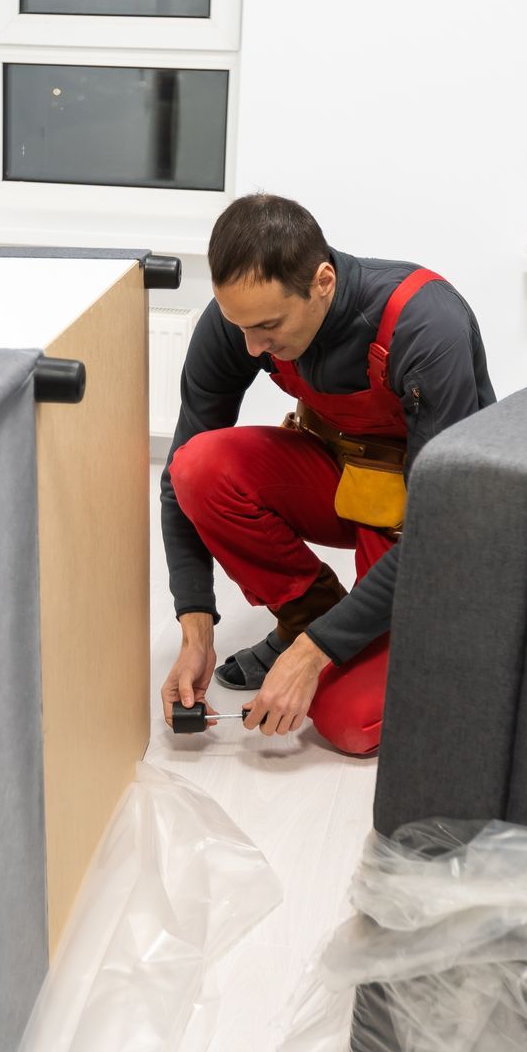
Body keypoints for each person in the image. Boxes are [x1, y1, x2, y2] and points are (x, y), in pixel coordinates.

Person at [159, 193, 495, 754]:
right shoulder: (240, 323)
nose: (252, 346)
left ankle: (416, 646)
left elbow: (443, 528)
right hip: (340, 480)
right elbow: (177, 481)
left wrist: (314, 657)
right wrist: (196, 630)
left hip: (429, 521)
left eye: (268, 326)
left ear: (322, 281)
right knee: (199, 466)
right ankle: (308, 618)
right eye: (240, 325)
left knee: (345, 720)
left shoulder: (424, 324)